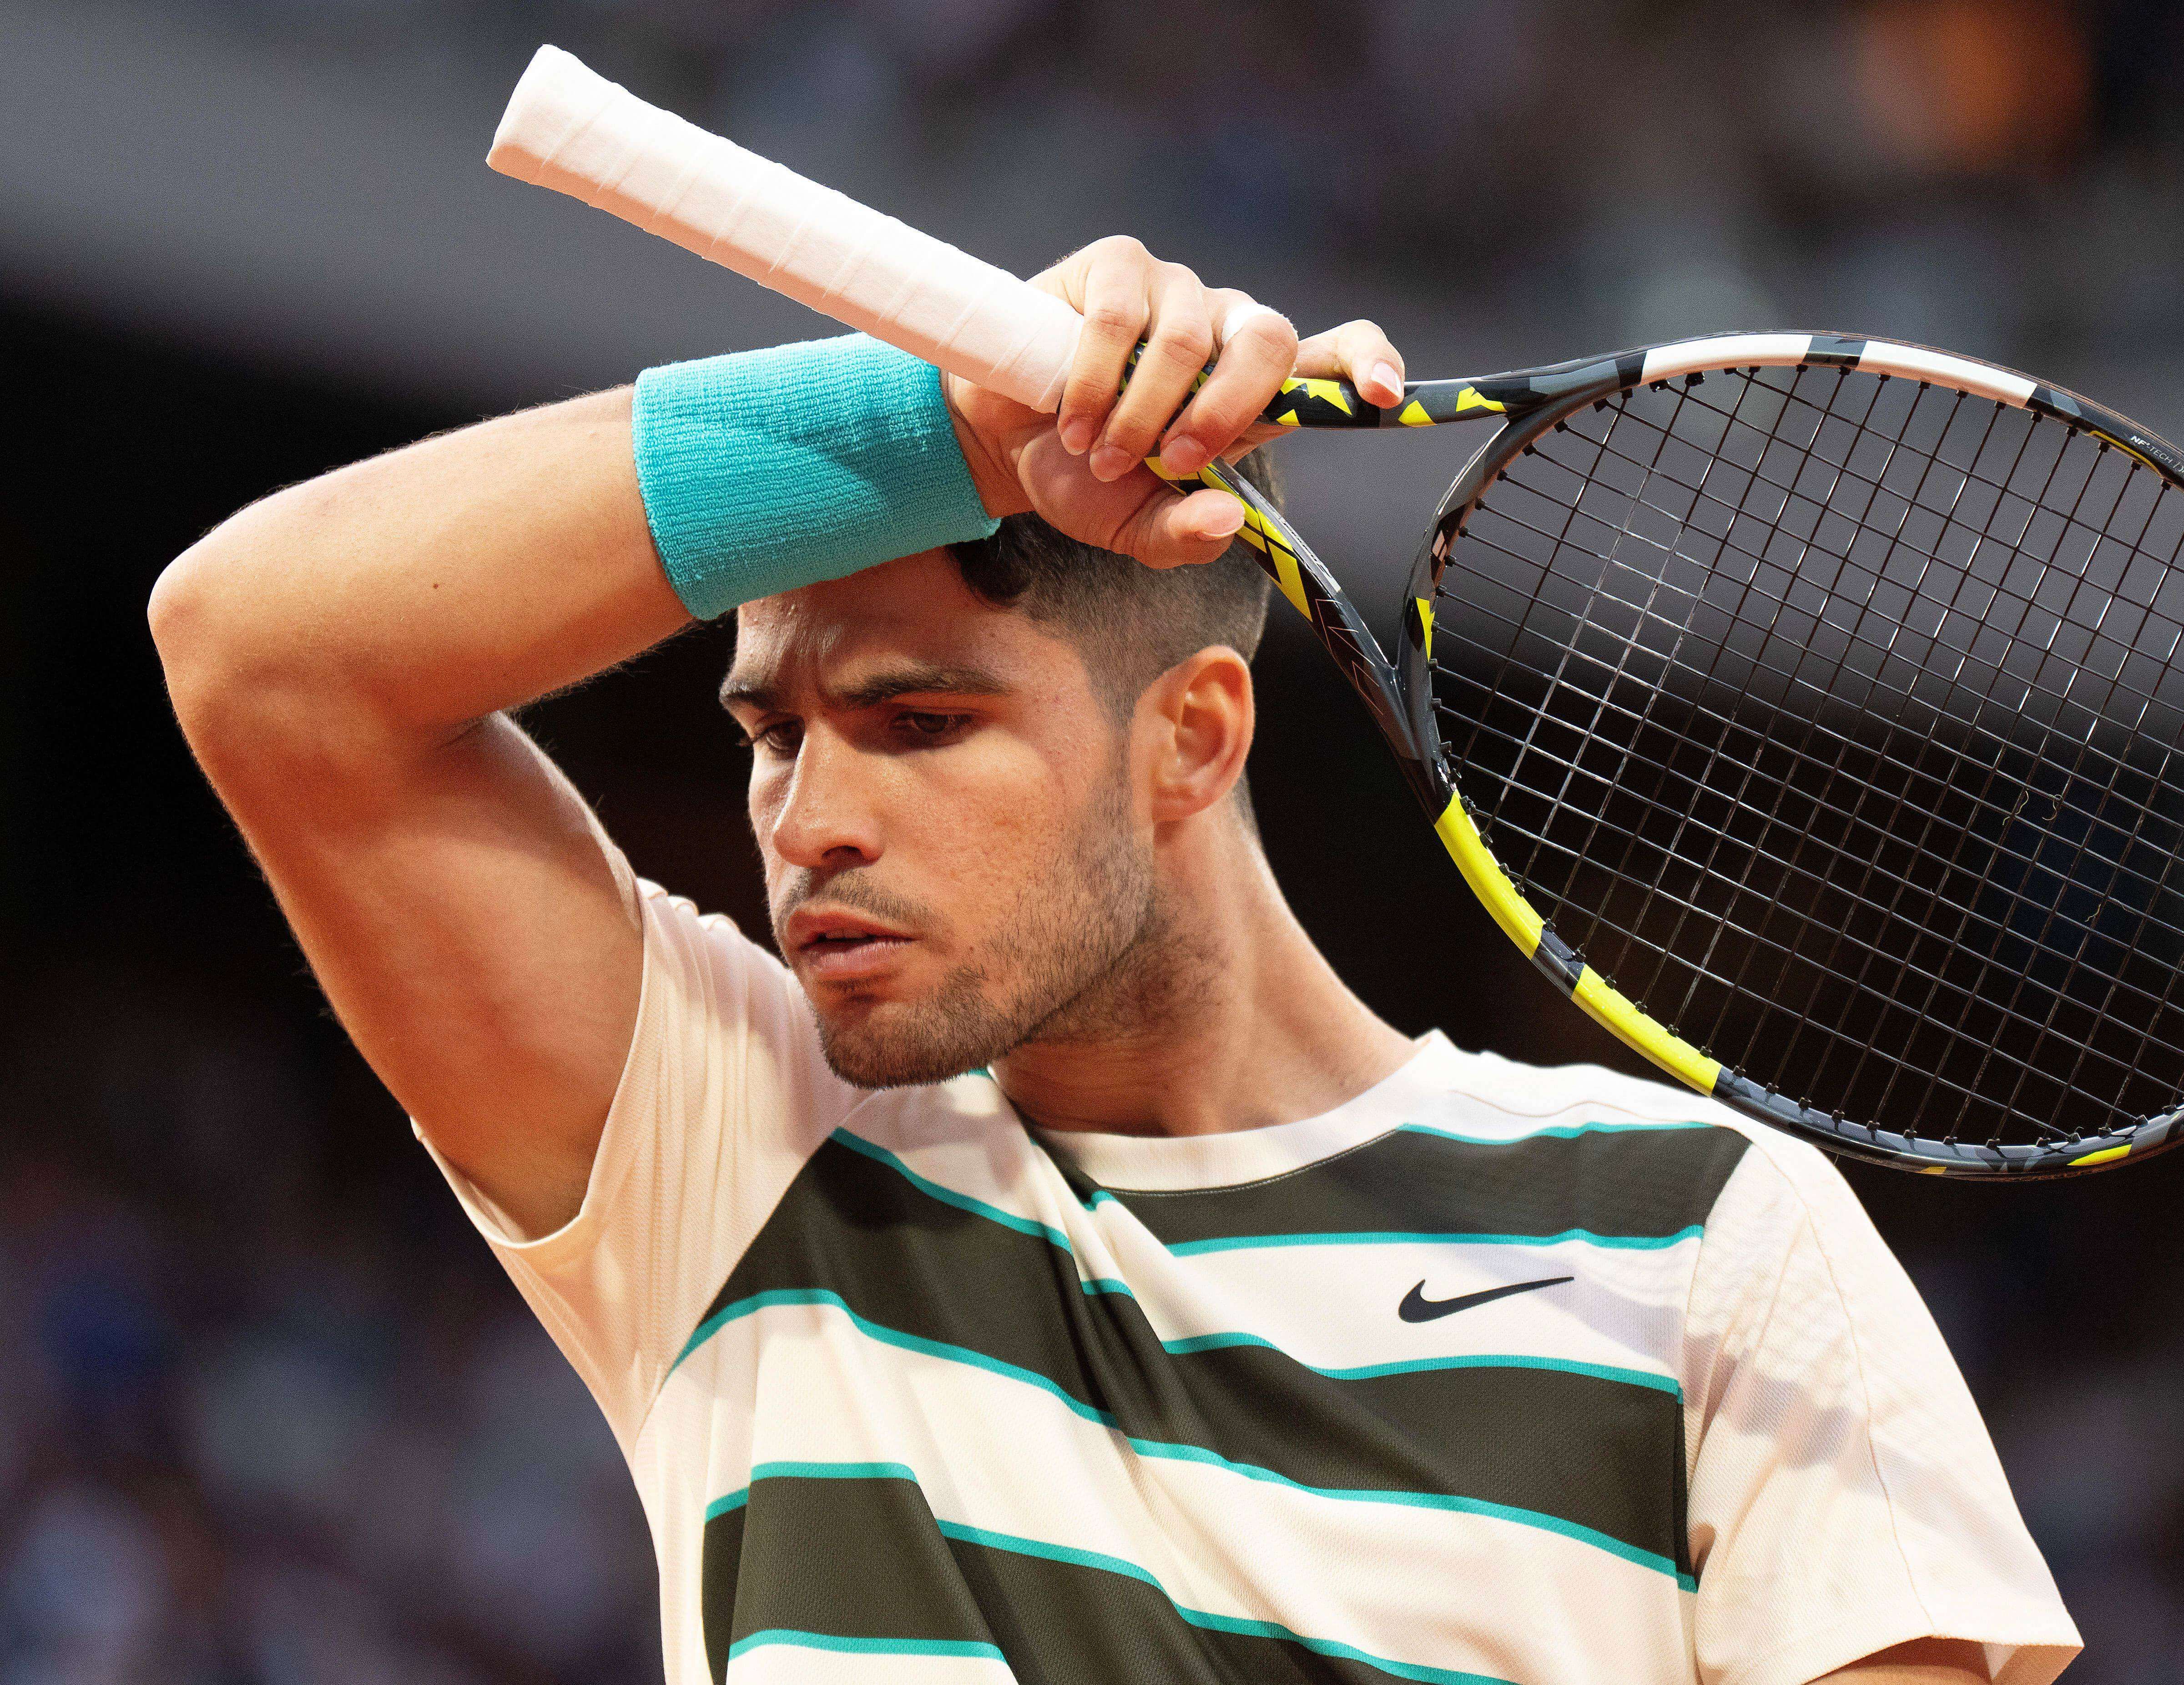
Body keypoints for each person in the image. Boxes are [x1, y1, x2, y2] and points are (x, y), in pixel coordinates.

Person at [151, 237, 2081, 1685]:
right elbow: (262, 651)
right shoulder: (742, 1158)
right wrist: (940, 419)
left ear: (1196, 736)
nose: (806, 817)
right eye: (771, 734)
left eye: (916, 724)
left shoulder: (1711, 1237)